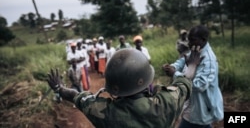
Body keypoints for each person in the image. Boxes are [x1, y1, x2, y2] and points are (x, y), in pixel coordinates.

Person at [47, 47, 204, 128]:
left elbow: (77, 96)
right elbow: (184, 82)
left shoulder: (104, 112)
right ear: (147, 81)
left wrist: (59, 88)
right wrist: (192, 64)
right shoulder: (167, 102)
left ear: (114, 90)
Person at [163, 25, 224, 128]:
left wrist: (175, 74)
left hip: (200, 108)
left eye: (192, 40)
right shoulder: (196, 49)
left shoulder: (208, 60)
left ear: (203, 39)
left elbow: (199, 85)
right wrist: (172, 67)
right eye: (189, 40)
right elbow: (183, 61)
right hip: (193, 106)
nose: (189, 43)